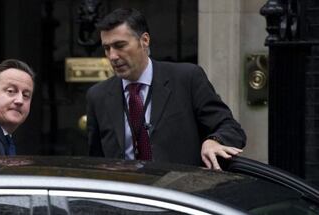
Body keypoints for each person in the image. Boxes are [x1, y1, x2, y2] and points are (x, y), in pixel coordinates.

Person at [86, 8, 246, 170]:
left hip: (178, 191)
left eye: (120, 45)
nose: (112, 56)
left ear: (144, 40)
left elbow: (231, 128)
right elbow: (95, 161)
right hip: (128, 193)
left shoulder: (187, 78)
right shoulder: (98, 96)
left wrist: (214, 141)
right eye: (107, 48)